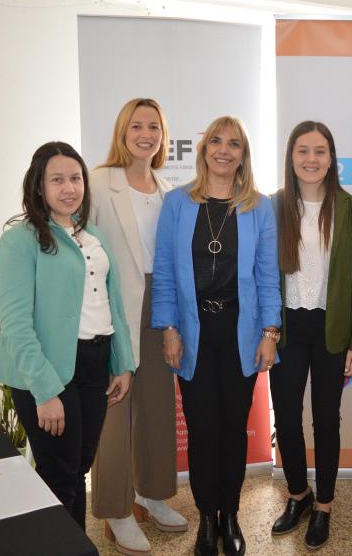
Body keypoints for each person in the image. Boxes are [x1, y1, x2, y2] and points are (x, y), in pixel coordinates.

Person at [152, 115, 281, 556]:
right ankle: (207, 516)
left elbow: (267, 277)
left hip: (240, 332)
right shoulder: (177, 203)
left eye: (235, 144)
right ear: (204, 149)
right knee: (203, 427)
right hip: (193, 332)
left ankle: (231, 515)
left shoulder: (258, 206)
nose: (224, 150)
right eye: (216, 142)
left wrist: (270, 331)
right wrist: (168, 327)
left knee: (232, 429)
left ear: (244, 155)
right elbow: (166, 273)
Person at [0, 141, 135, 529]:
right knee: (59, 476)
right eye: (57, 180)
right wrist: (45, 391)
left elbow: (111, 306)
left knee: (76, 471)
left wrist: (122, 363)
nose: (69, 188)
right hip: (48, 370)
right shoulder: (21, 240)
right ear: (39, 186)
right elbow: (17, 324)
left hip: (93, 363)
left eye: (75, 178)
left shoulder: (93, 236)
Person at [88, 99, 186, 555]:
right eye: (137, 125)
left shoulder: (169, 189)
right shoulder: (96, 180)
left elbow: (171, 258)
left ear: (163, 136)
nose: (145, 134)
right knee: (115, 408)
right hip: (111, 306)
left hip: (160, 302)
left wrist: (174, 320)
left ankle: (151, 494)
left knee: (157, 405)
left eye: (154, 127)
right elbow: (80, 248)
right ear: (122, 131)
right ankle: (116, 509)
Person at [269, 121, 352, 550]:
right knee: (287, 418)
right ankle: (298, 495)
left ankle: (324, 505)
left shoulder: (351, 209)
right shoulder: (272, 207)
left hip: (333, 329)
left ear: (332, 158)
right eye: (302, 151)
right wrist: (266, 330)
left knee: (327, 420)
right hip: (286, 329)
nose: (311, 159)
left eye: (320, 151)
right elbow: (260, 274)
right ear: (291, 157)